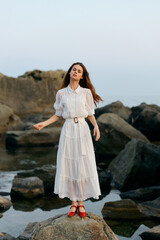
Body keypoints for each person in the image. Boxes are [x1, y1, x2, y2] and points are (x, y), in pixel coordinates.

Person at [33, 62, 103, 218]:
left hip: (83, 129)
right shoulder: (61, 94)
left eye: (79, 71)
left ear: (82, 76)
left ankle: (82, 202)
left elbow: (90, 112)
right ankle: (73, 203)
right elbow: (58, 114)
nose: (76, 72)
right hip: (68, 128)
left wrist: (96, 127)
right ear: (70, 72)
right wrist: (43, 124)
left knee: (83, 164)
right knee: (69, 164)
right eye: (74, 70)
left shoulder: (86, 93)